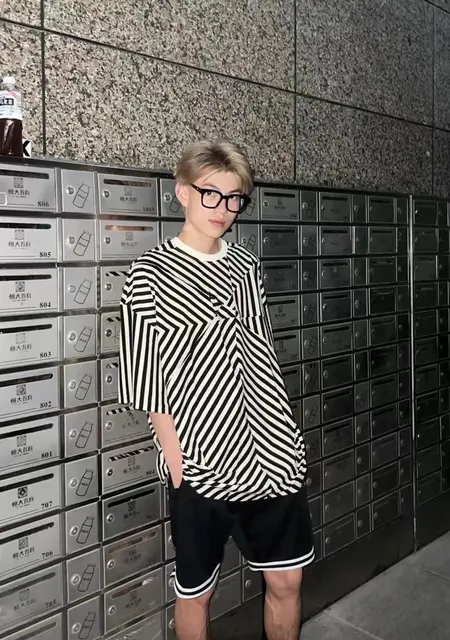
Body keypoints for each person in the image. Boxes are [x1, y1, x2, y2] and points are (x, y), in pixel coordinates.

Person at [118, 140, 314, 640]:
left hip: (271, 452)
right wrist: (175, 456)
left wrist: (286, 433)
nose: (222, 208)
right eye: (211, 194)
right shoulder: (149, 273)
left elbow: (262, 351)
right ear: (183, 192)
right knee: (197, 592)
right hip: (201, 460)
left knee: (288, 580)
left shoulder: (246, 267)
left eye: (233, 198)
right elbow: (144, 372)